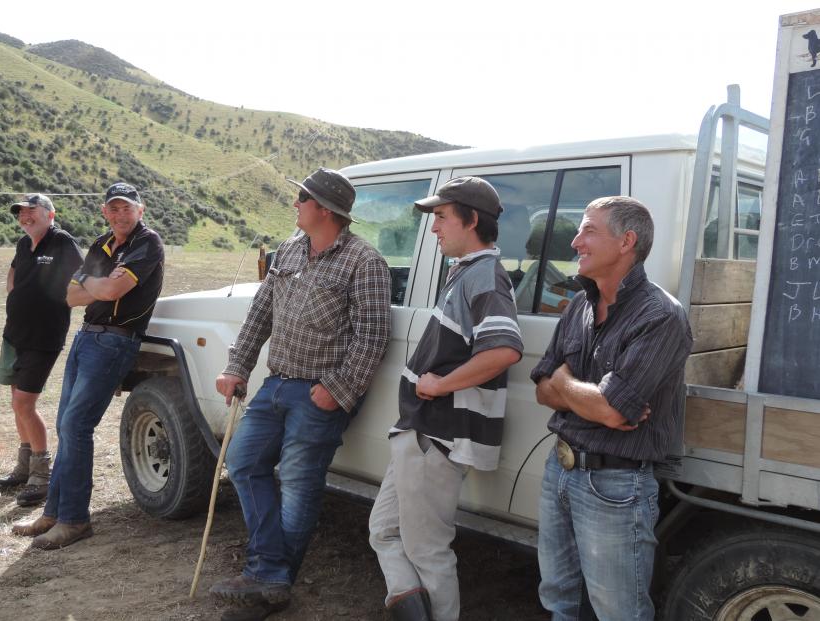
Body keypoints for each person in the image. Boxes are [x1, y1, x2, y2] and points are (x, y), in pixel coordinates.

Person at [210, 168, 391, 621]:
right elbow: (259, 315)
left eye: (302, 199)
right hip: (276, 383)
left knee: (297, 483)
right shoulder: (289, 249)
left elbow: (373, 336)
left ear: (325, 210)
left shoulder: (364, 262)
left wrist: (338, 390)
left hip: (319, 392)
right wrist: (237, 367)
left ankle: (269, 583)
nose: (295, 205)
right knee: (243, 461)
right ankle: (270, 571)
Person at [368, 177, 524, 621]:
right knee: (383, 530)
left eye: (441, 217)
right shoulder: (469, 273)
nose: (433, 228)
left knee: (428, 551)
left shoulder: (486, 278)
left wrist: (439, 384)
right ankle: (410, 606)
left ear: (471, 220)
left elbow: (504, 350)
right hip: (420, 430)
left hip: (436, 434)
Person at [530, 196, 692, 621]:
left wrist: (564, 382)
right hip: (560, 470)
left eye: (588, 230)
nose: (575, 242)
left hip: (615, 485)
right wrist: (582, 395)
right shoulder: (579, 305)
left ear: (627, 241)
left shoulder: (661, 315)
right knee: (558, 599)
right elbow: (541, 391)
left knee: (618, 612)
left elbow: (610, 412)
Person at [11, 182, 164, 550]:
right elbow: (70, 295)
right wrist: (101, 284)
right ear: (104, 212)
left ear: (139, 211)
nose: (120, 214)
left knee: (77, 425)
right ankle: (54, 512)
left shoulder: (148, 242)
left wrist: (94, 285)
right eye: (113, 208)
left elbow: (109, 293)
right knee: (67, 425)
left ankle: (75, 520)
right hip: (86, 337)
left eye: (127, 208)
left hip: (115, 340)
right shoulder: (101, 244)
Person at [0, 193, 83, 507]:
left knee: (25, 403)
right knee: (16, 402)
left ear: (50, 214)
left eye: (32, 211)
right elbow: (14, 271)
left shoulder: (63, 243)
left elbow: (81, 279)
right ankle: (24, 465)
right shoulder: (23, 244)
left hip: (44, 337)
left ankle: (42, 474)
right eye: (21, 213)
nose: (25, 217)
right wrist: (14, 293)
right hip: (15, 334)